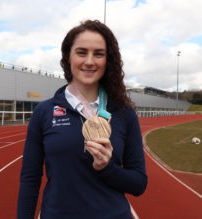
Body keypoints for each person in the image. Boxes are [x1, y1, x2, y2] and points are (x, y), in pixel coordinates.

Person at [17, 19, 147, 219]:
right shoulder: (44, 111)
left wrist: (107, 168)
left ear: (108, 60)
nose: (89, 61)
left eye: (98, 54)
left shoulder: (123, 112)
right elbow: (30, 178)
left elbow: (138, 184)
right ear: (68, 57)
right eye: (81, 52)